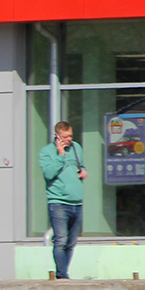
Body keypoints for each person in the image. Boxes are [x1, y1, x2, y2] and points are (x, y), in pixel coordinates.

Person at [38, 120, 86, 279]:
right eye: (65, 137)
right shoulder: (46, 152)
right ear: (56, 136)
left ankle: (63, 272)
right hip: (58, 202)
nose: (68, 139)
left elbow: (81, 166)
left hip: (77, 202)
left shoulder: (77, 148)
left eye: (70, 136)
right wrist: (60, 155)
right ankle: (62, 275)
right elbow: (49, 174)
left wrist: (83, 172)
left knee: (71, 243)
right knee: (60, 240)